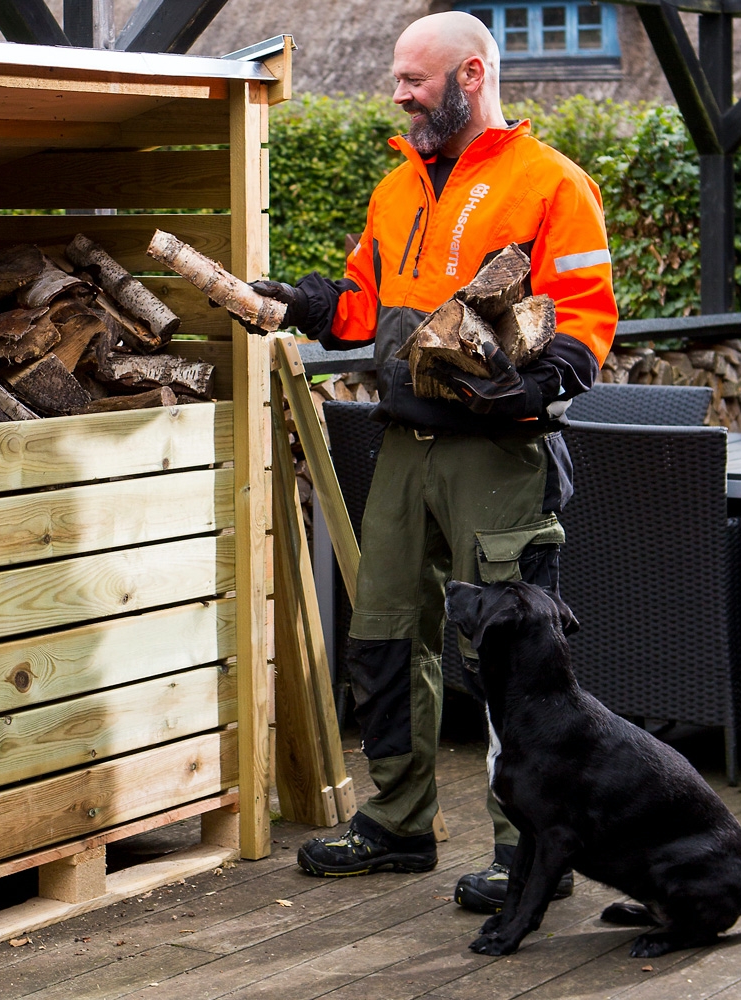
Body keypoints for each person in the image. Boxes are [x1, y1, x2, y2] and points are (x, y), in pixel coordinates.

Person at [246, 11, 616, 914]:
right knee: (383, 632)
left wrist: (535, 387)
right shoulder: (394, 190)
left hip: (498, 454)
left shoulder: (552, 185)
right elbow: (365, 304)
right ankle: (398, 821)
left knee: (514, 654)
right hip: (404, 444)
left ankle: (530, 848)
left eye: (415, 78)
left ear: (473, 75)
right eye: (400, 77)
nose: (400, 92)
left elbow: (588, 317)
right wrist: (299, 301)